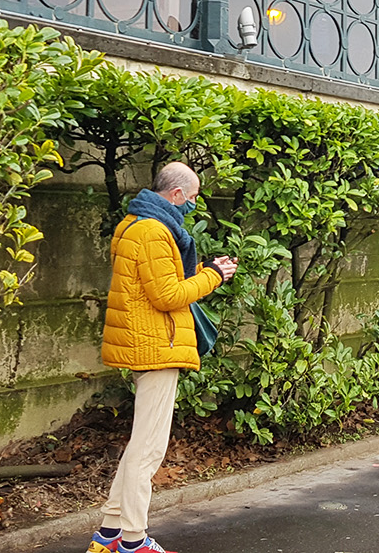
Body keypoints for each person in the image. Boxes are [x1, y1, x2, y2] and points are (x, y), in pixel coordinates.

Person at [87, 163, 237, 553]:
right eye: (193, 197)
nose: (194, 203)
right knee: (148, 448)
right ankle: (133, 541)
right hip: (156, 345)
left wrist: (203, 272)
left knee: (141, 443)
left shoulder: (136, 223)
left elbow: (160, 285)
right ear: (175, 195)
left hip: (147, 342)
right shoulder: (154, 232)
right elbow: (168, 296)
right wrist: (214, 276)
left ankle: (107, 535)